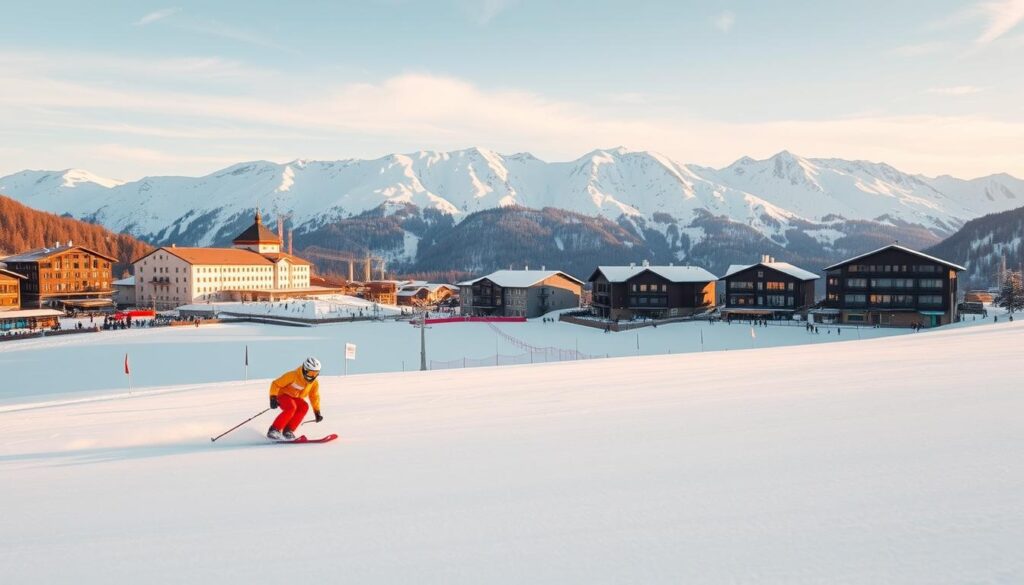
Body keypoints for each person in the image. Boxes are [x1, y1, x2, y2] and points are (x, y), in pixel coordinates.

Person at [267, 357, 323, 440]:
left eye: (315, 373)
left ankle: (288, 431)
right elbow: (276, 384)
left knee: (304, 406)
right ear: (305, 369)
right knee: (291, 407)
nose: (312, 376)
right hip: (282, 395)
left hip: (294, 397)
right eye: (311, 373)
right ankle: (274, 430)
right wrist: (273, 397)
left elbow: (314, 396)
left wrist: (317, 411)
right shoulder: (293, 375)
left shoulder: (314, 383)